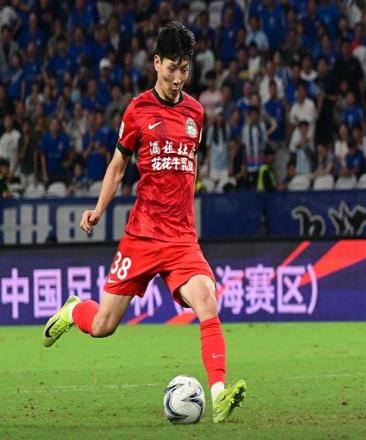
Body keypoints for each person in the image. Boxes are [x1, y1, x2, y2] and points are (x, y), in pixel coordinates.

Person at [41, 22, 246, 424]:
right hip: (142, 235)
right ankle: (73, 310)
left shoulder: (196, 112)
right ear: (156, 63)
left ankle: (219, 394)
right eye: (172, 68)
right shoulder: (137, 110)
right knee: (102, 325)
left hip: (182, 239)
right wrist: (98, 210)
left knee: (208, 301)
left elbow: (188, 165)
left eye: (184, 69)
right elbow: (118, 167)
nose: (178, 77)